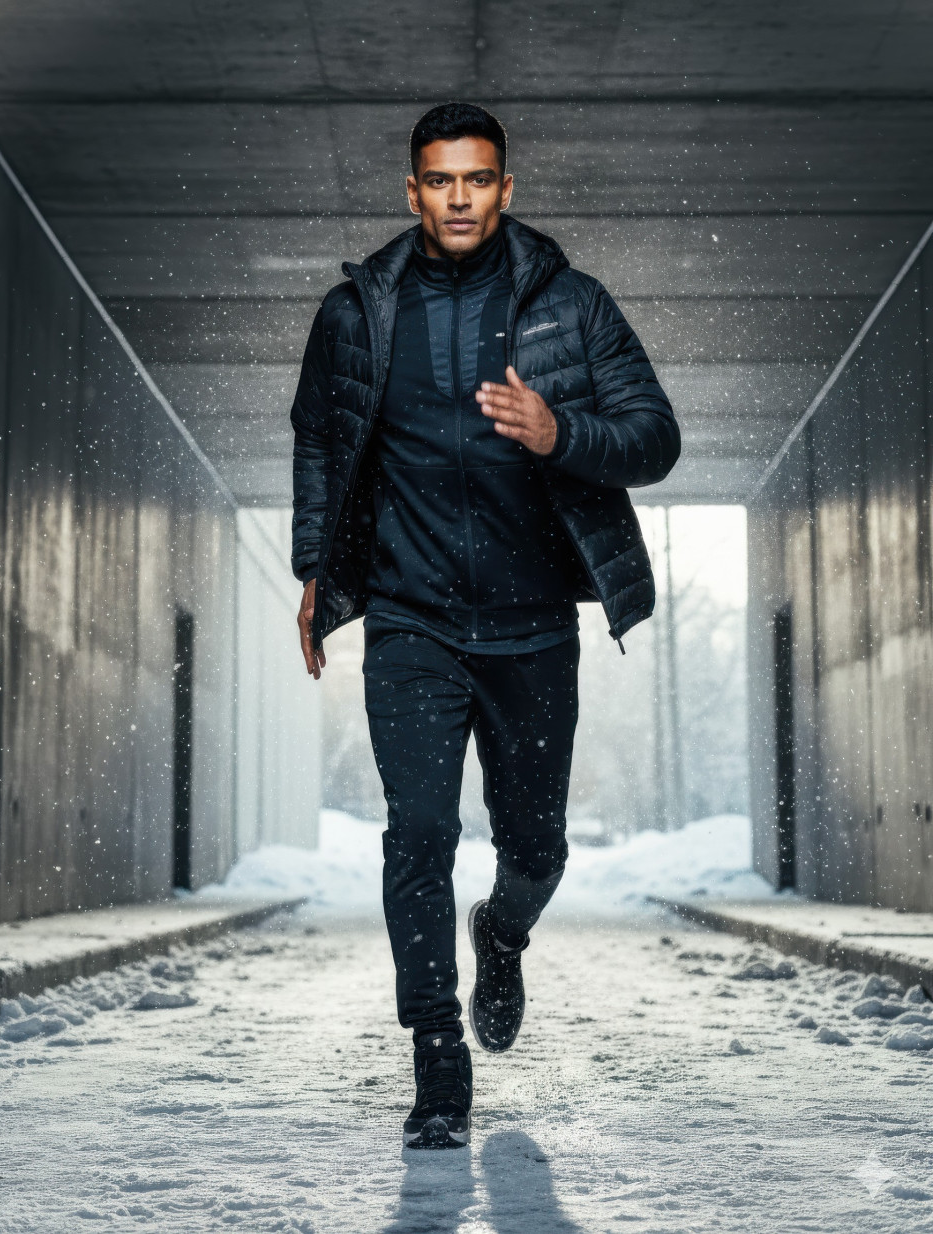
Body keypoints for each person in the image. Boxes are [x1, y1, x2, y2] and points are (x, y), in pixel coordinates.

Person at [290, 102, 680, 1149]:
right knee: (418, 834)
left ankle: (500, 935)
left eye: (478, 179)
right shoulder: (358, 313)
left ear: (507, 188)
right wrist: (317, 574)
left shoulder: (573, 306)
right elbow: (322, 441)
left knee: (536, 849)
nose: (458, 196)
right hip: (413, 623)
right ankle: (437, 1061)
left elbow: (655, 437)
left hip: (533, 627)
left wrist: (561, 430)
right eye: (438, 179)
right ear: (411, 191)